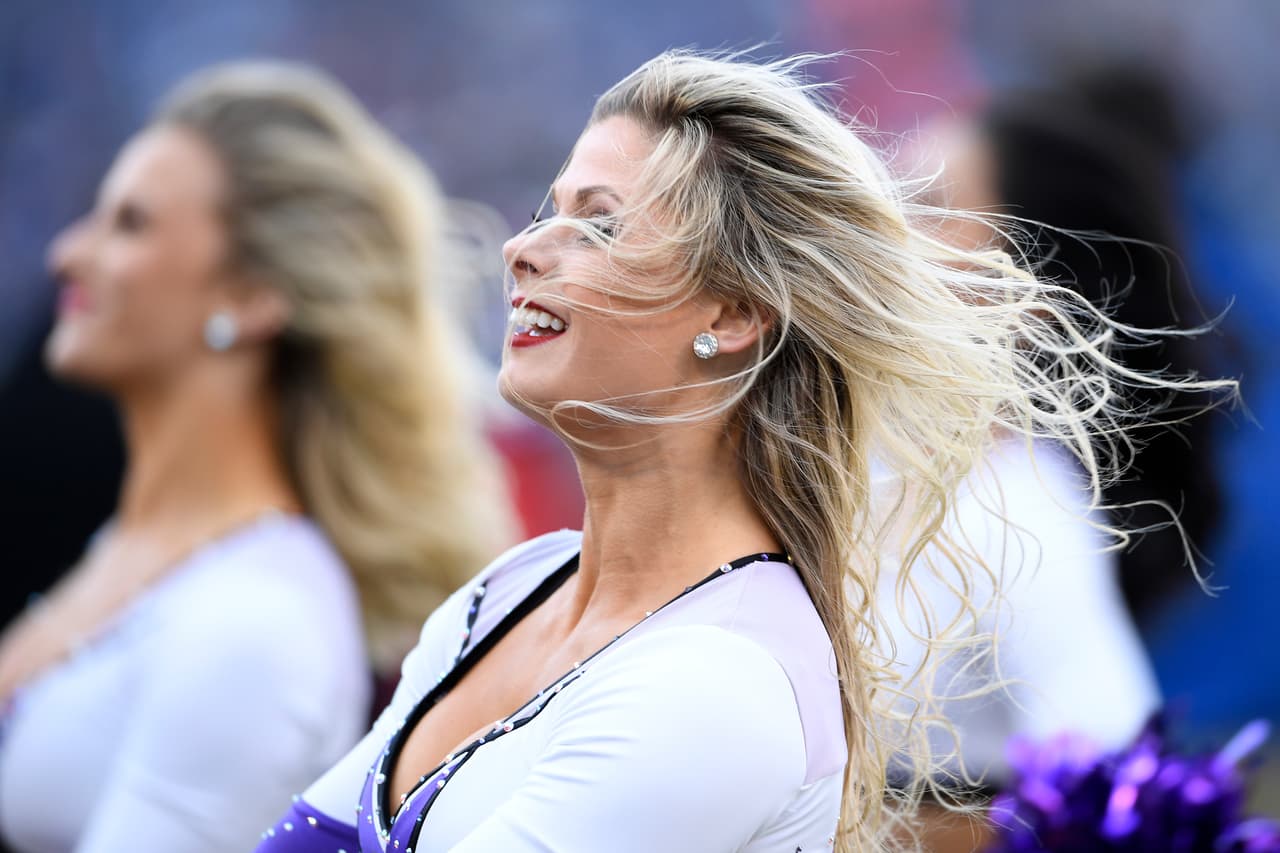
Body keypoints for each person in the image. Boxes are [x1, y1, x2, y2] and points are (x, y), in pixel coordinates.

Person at [256, 51, 1227, 853]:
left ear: (733, 312)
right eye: (548, 208)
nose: (524, 247)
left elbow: (1117, 799)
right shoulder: (505, 591)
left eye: (597, 222)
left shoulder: (744, 662)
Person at [0, 61, 512, 853]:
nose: (69, 254)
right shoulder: (134, 551)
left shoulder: (255, 620)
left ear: (249, 297)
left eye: (128, 224)